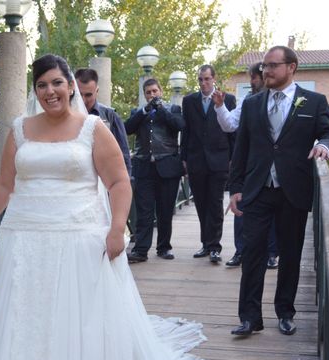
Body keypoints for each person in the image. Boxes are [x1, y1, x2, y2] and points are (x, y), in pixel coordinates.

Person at [0, 54, 212, 360]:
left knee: (75, 326)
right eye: (42, 85)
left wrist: (116, 229)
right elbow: (5, 184)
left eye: (57, 83)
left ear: (71, 86)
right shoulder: (19, 131)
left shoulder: (94, 129)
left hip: (77, 239)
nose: (50, 91)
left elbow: (118, 182)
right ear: (35, 90)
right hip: (24, 241)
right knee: (26, 329)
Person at [228, 46, 329, 336]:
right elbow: (241, 149)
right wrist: (235, 188)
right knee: (252, 253)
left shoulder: (313, 102)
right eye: (264, 66)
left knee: (290, 253)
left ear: (292, 67)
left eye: (273, 66)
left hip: (294, 190)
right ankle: (250, 318)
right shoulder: (252, 104)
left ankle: (285, 312)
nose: (266, 71)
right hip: (258, 190)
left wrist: (324, 146)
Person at [212, 63, 279, 269]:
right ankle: (241, 251)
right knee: (241, 210)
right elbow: (230, 124)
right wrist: (220, 106)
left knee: (273, 213)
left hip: (275, 169)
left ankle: (272, 253)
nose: (251, 82)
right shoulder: (248, 101)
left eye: (254, 78)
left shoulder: (282, 102)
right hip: (249, 167)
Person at [125, 78, 185, 263]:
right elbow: (127, 128)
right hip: (144, 168)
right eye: (148, 92)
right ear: (144, 95)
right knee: (144, 211)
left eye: (154, 91)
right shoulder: (138, 112)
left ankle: (164, 247)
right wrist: (144, 111)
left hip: (168, 166)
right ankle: (141, 250)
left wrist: (161, 109)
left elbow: (179, 126)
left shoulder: (173, 110)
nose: (152, 95)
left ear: (161, 91)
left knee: (165, 211)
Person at [181, 65, 236, 264]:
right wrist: (184, 158)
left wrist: (232, 158)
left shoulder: (227, 99)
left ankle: (215, 247)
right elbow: (185, 131)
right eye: (200, 80)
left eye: (206, 79)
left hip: (219, 160)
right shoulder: (188, 101)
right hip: (196, 160)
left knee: (215, 203)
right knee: (201, 204)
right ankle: (206, 243)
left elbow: (232, 131)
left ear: (214, 79)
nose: (203, 83)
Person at [75, 68, 131, 175]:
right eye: (79, 94)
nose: (83, 100)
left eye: (88, 95)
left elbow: (123, 155)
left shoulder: (111, 116)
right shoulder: (62, 116)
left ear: (97, 91)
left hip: (105, 180)